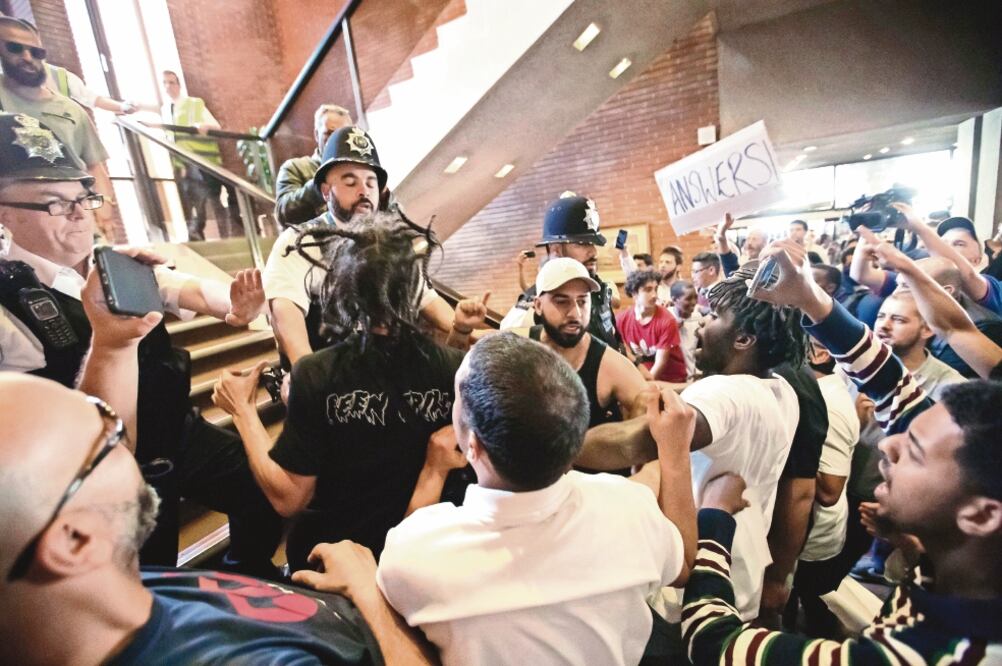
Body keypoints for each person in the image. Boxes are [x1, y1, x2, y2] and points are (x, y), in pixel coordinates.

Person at [682, 238, 1002, 664]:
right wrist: (809, 299)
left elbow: (715, 643)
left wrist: (715, 522)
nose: (888, 444)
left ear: (978, 516)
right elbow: (892, 385)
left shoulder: (924, 654)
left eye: (915, 451)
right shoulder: (972, 561)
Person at [302, 332, 698, 666]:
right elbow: (681, 566)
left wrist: (366, 589)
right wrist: (673, 453)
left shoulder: (419, 551)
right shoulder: (629, 509)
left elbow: (402, 616)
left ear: (472, 445)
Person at [0, 112, 280, 573]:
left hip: (176, 434)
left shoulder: (111, 262)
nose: (77, 216)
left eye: (82, 198)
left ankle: (242, 576)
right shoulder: (9, 308)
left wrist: (232, 301)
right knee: (150, 570)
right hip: (102, 475)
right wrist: (110, 345)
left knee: (260, 492)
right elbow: (73, 446)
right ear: (5, 213)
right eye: (54, 203)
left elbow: (180, 286)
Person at [0, 373, 418, 666]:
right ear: (75, 540)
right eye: (106, 440)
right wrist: (372, 600)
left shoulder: (115, 589)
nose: (128, 439)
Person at [217, 210, 466, 571]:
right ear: (414, 286)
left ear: (342, 287)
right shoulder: (456, 368)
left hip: (335, 562)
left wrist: (242, 411)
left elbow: (288, 498)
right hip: (428, 556)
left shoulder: (316, 374)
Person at [578, 262, 808, 620]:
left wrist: (555, 441)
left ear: (743, 339)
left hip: (701, 578)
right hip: (741, 569)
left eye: (714, 316)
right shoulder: (780, 388)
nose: (701, 324)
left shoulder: (723, 394)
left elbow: (629, 444)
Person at [263, 125, 454, 368]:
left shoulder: (388, 243)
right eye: (350, 182)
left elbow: (426, 299)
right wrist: (307, 376)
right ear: (325, 191)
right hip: (331, 378)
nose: (364, 191)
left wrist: (466, 326)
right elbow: (285, 314)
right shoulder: (297, 242)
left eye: (371, 183)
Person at [497, 257, 647, 433]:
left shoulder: (610, 365)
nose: (575, 313)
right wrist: (461, 330)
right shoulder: (517, 345)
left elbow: (654, 420)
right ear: (538, 305)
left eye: (582, 301)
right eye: (562, 302)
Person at [0, 18, 117, 239]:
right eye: (15, 48)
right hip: (18, 227)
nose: (27, 57)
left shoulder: (71, 110)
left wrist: (105, 211)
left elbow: (94, 166)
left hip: (73, 218)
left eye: (36, 52)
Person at [784, 337, 860, 638]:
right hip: (798, 530)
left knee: (815, 609)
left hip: (814, 538)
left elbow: (829, 491)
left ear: (820, 352)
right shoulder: (811, 390)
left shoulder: (829, 404)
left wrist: (785, 450)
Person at [160, 69, 240, 240]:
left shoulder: (193, 103)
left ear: (179, 84)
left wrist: (201, 125)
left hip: (205, 159)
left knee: (211, 196)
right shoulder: (165, 110)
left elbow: (214, 125)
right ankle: (196, 232)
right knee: (196, 197)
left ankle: (228, 230)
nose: (168, 86)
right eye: (164, 83)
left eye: (171, 82)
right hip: (186, 161)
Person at [536, 193, 621, 349]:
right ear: (556, 250)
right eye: (582, 244)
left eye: (593, 244)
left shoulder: (597, 288)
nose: (593, 252)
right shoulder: (538, 305)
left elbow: (612, 337)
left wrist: (635, 363)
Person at [274, 103, 353, 227]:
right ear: (317, 134)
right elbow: (283, 213)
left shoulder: (360, 171)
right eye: (329, 133)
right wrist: (320, 184)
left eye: (342, 135)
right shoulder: (295, 168)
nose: (335, 140)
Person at [616, 269, 686, 382]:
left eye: (656, 289)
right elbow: (627, 356)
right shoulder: (621, 320)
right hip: (641, 377)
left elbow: (660, 364)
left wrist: (643, 385)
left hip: (669, 379)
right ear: (634, 293)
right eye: (648, 290)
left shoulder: (667, 320)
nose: (654, 295)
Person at [668, 279, 700, 380]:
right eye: (688, 299)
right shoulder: (666, 318)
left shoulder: (697, 317)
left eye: (695, 297)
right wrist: (671, 329)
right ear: (674, 300)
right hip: (671, 379)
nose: (694, 302)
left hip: (691, 378)